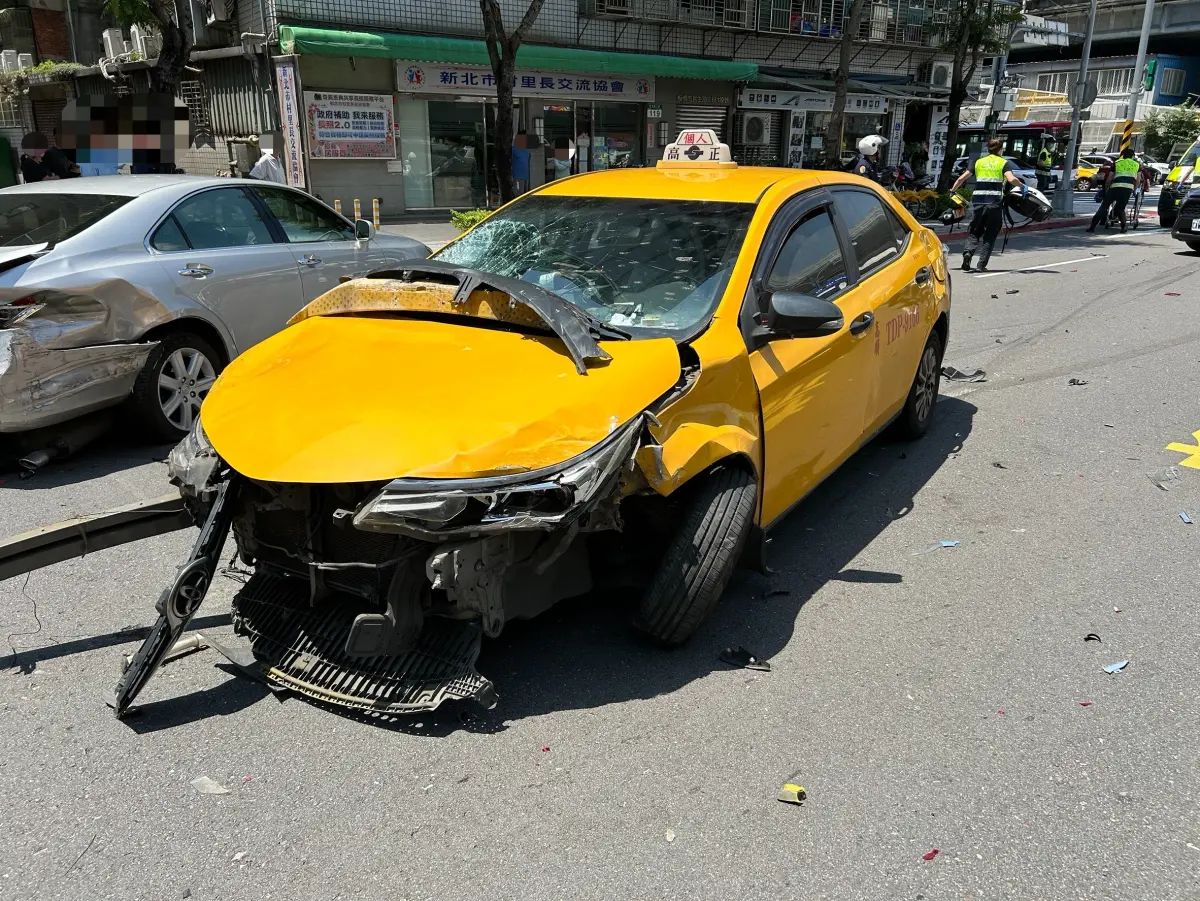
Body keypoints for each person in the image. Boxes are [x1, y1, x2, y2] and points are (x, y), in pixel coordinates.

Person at [951, 137, 1024, 273]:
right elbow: (1011, 179)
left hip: (978, 202)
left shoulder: (979, 162)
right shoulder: (1003, 163)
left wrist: (953, 190)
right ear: (1000, 149)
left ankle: (968, 253)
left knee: (974, 230)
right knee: (990, 234)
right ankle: (981, 265)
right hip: (994, 203)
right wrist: (1022, 186)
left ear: (988, 149)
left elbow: (961, 178)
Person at [1087, 147, 1138, 234]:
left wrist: (1107, 189)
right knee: (1120, 208)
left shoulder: (1117, 163)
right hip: (1127, 188)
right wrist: (1134, 190)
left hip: (1115, 187)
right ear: (1133, 156)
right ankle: (1123, 227)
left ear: (1123, 156)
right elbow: (1138, 180)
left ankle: (1092, 227)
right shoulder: (1137, 165)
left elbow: (1109, 178)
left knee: (1104, 207)